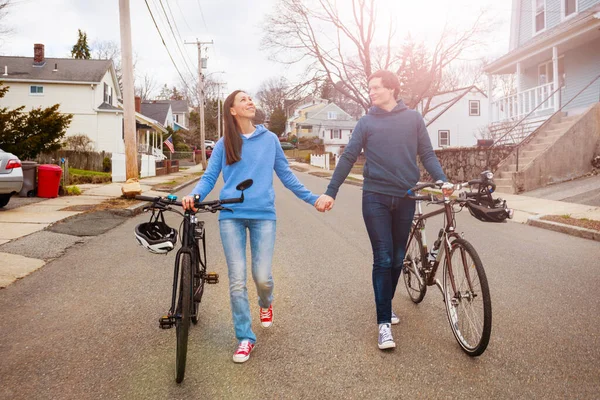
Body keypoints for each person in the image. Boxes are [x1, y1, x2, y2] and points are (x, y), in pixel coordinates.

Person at [182, 90, 325, 363]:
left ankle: (265, 303)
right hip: (231, 215)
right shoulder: (225, 143)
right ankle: (245, 338)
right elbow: (210, 176)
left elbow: (286, 176)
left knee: (262, 276)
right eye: (243, 99)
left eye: (250, 98)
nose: (250, 102)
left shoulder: (270, 140)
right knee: (236, 281)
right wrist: (195, 196)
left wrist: (313, 198)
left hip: (263, 215)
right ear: (232, 110)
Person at [315, 70, 448, 350]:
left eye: (376, 87)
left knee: (399, 257)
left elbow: (426, 153)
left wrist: (442, 180)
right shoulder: (366, 122)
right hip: (375, 196)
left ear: (391, 89)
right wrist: (331, 191)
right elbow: (349, 156)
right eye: (370, 88)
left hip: (406, 196)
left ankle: (385, 304)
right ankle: (383, 324)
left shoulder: (413, 118)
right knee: (384, 258)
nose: (371, 92)